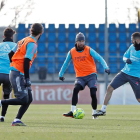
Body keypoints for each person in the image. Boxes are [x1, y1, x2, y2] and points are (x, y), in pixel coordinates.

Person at [0, 23, 44, 126]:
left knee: (29, 98)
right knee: (22, 99)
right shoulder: (32, 44)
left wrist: (13, 64)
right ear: (41, 33)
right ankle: (2, 102)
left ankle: (17, 120)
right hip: (19, 74)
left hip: (16, 72)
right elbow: (26, 60)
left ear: (31, 31)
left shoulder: (22, 40)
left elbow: (10, 54)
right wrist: (27, 78)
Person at [59, 32, 110, 119]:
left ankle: (94, 113)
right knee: (75, 89)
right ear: (76, 42)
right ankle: (72, 111)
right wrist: (61, 74)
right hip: (80, 77)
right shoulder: (72, 52)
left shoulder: (88, 49)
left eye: (83, 41)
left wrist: (106, 67)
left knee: (93, 93)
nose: (82, 43)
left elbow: (99, 58)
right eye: (80, 41)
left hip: (91, 75)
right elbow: (66, 63)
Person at [93, 32, 140, 117]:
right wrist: (126, 60)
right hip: (124, 73)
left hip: (136, 77)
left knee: (139, 99)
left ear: (137, 40)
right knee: (110, 88)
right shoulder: (131, 47)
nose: (131, 42)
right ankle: (103, 110)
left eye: (132, 40)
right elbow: (124, 56)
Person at [0, 28, 16, 122]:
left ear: (3, 36)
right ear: (12, 36)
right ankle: (2, 116)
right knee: (6, 96)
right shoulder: (15, 46)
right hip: (9, 74)